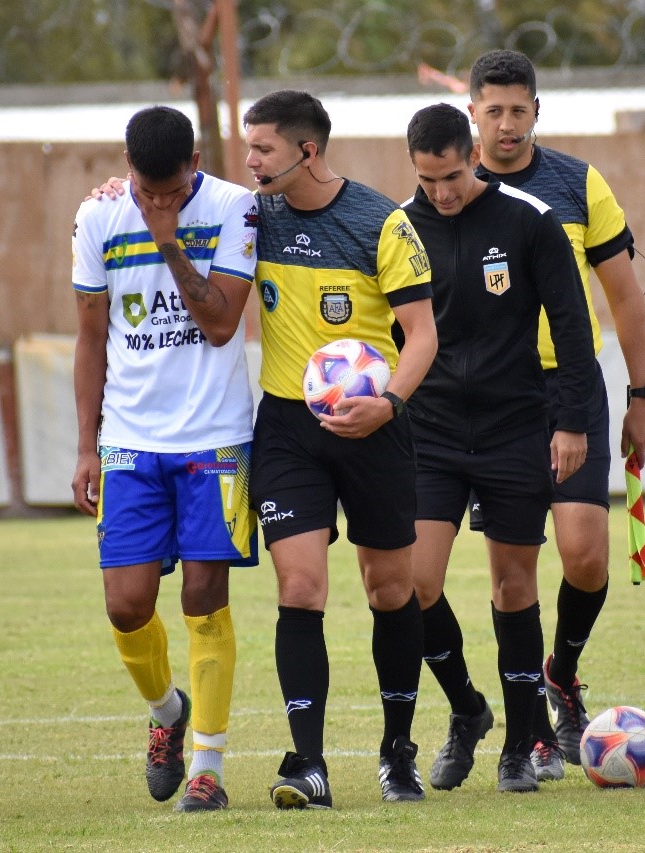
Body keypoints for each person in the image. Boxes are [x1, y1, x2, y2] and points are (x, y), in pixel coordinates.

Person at [418, 48, 645, 781]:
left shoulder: (576, 184)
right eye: (493, 110)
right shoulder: (444, 196)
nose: (507, 123)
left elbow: (621, 297)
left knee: (585, 555)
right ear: (472, 115)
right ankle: (498, 718)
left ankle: (561, 672)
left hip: (569, 388)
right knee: (493, 574)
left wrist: (640, 394)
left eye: (519, 109)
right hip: (484, 400)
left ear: (536, 112)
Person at [244, 89, 437, 809]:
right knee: (299, 587)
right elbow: (175, 195)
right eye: (249, 147)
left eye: (262, 148)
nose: (251, 160)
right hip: (290, 430)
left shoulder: (381, 221)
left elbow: (422, 335)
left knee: (391, 589)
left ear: (307, 150)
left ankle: (397, 751)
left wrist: (386, 403)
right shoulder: (247, 216)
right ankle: (309, 762)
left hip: (377, 428)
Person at [400, 104, 599, 793]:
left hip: (517, 426)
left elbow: (573, 328)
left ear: (472, 154)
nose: (442, 193)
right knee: (411, 583)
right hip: (429, 431)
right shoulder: (402, 227)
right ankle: (467, 708)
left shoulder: (526, 219)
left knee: (514, 586)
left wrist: (571, 423)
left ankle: (521, 743)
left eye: (452, 176)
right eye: (428, 180)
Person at [70, 106, 259, 812]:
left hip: (217, 436)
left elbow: (218, 324)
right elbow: (90, 338)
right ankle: (166, 712)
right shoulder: (96, 217)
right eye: (146, 192)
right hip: (128, 439)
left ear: (195, 164)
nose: (157, 203)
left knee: (204, 596)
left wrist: (171, 243)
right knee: (126, 604)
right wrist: (85, 445)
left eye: (170, 190)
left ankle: (208, 766)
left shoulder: (235, 209)